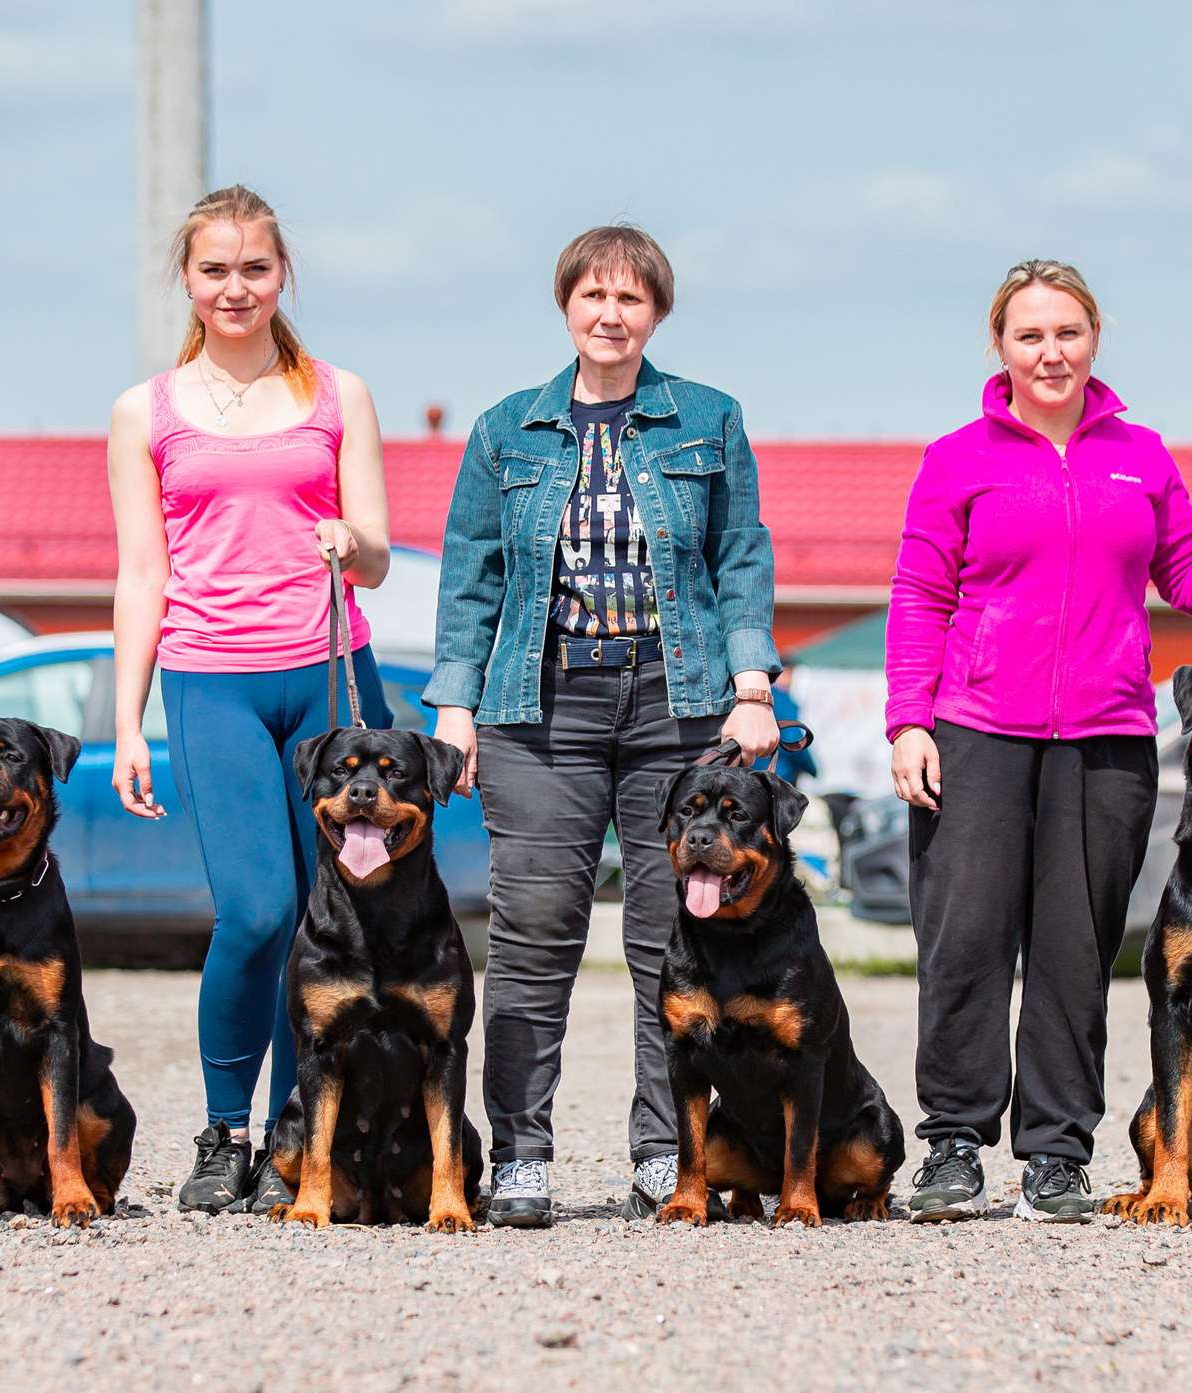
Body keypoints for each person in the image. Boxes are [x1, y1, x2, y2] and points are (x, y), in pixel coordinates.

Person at [887, 261, 1192, 1224]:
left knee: (1078, 950)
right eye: (1029, 335)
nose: (1050, 351)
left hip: (1107, 736)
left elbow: (1186, 565)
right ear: (1001, 348)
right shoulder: (956, 458)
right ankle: (951, 1142)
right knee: (965, 944)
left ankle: (1057, 1153)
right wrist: (909, 719)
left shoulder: (1139, 455)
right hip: (975, 730)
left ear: (1094, 337)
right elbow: (919, 593)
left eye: (1067, 332)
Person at [428, 224, 783, 1228]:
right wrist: (455, 710)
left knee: (672, 941)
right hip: (540, 711)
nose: (609, 314)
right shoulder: (508, 430)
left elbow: (739, 557)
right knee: (534, 937)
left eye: (630, 299)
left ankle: (664, 1149)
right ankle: (521, 1157)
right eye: (592, 296)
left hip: (679, 706)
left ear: (655, 313)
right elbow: (472, 577)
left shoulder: (707, 420)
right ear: (566, 308)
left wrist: (750, 688)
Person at [106, 185, 396, 1214]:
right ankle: (223, 1131)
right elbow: (142, 573)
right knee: (258, 911)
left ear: (282, 276)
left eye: (255, 269)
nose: (236, 288)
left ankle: (293, 1132)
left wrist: (348, 543)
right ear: (187, 279)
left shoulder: (337, 393)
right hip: (211, 679)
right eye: (215, 270)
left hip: (327, 674)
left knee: (328, 917)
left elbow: (377, 557)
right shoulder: (145, 410)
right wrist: (127, 722)